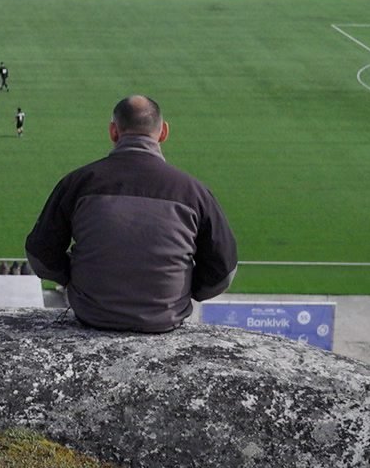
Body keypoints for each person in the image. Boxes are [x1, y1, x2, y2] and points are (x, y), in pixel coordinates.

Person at [23, 95, 238, 333]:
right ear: (163, 132)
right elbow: (223, 271)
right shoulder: (193, 192)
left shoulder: (79, 183)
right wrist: (184, 290)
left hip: (93, 314)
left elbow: (40, 254)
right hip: (164, 320)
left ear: (113, 132)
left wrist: (72, 277)